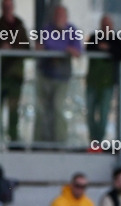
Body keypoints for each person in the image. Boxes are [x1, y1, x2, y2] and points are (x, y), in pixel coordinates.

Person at [0, 0, 30, 143]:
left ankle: (13, 140)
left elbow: (27, 49)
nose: (7, 9)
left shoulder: (20, 27)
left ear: (13, 8)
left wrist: (12, 49)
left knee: (13, 110)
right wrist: (0, 48)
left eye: (9, 7)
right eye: (5, 7)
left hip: (15, 76)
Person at [35, 5, 82, 144]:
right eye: (57, 15)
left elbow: (77, 51)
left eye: (61, 15)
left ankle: (59, 142)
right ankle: (40, 142)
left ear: (66, 17)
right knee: (42, 109)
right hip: (45, 75)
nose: (58, 18)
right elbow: (42, 46)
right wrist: (65, 48)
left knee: (57, 107)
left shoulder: (72, 30)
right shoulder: (47, 29)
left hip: (62, 77)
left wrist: (54, 47)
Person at [85, 14, 121, 144]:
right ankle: (93, 140)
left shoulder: (116, 40)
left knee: (103, 114)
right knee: (90, 113)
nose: (106, 27)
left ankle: (99, 141)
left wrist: (108, 48)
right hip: (92, 82)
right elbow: (87, 49)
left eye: (108, 24)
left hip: (107, 84)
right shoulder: (94, 38)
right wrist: (100, 47)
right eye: (104, 24)